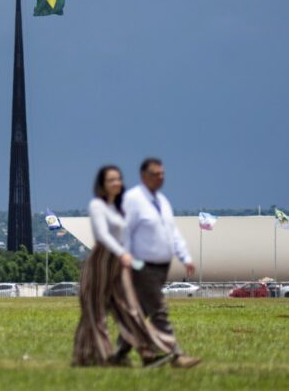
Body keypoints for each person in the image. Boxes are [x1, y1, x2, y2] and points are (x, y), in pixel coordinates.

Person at [72, 165, 176, 367]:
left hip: (119, 264)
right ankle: (97, 357)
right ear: (102, 184)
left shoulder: (120, 208)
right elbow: (101, 235)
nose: (116, 183)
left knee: (130, 309)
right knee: (94, 313)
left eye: (118, 179)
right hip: (101, 263)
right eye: (111, 179)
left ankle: (148, 353)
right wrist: (122, 254)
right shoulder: (97, 206)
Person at [112, 157, 201, 369]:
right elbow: (125, 230)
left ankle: (119, 354)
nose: (161, 178)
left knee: (141, 312)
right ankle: (176, 354)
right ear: (144, 176)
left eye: (162, 174)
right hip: (142, 266)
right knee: (159, 310)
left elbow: (172, 232)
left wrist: (185, 256)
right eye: (156, 174)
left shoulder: (162, 201)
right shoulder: (134, 199)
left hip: (161, 267)